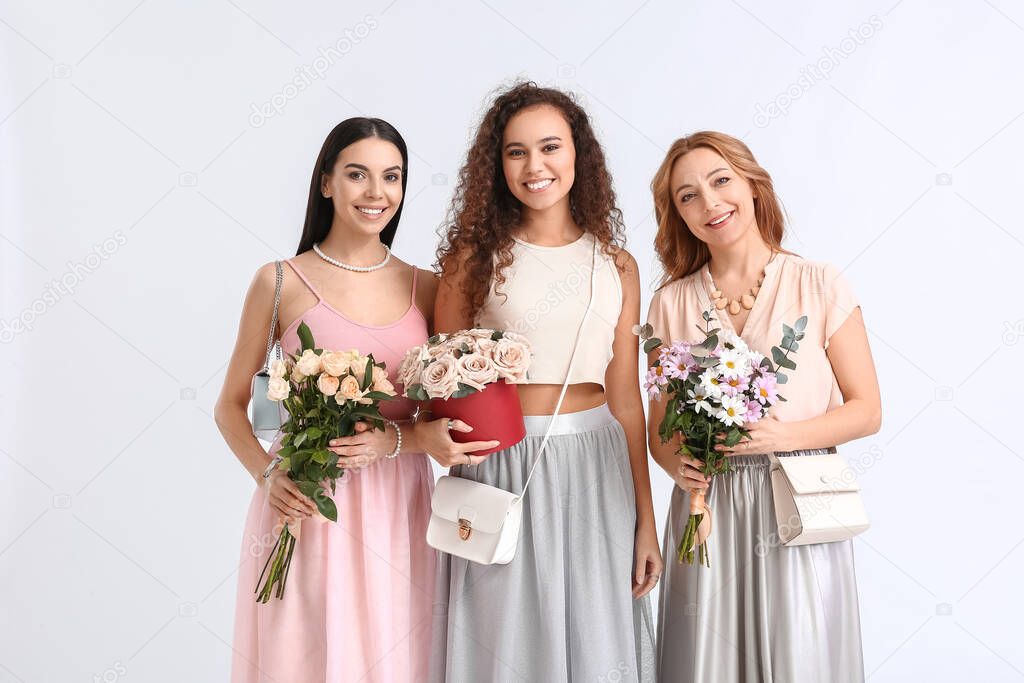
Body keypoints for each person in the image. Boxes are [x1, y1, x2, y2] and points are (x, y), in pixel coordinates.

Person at [214, 117, 494, 682]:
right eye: (357, 174)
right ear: (326, 183)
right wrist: (268, 475)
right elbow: (231, 407)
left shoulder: (428, 286)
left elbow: (442, 418)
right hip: (308, 506)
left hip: (402, 508)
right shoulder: (280, 281)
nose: (376, 192)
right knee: (306, 658)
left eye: (391, 177)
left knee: (401, 656)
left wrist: (401, 439)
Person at [429, 82, 659, 682]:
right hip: (501, 462)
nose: (536, 166)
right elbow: (440, 385)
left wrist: (646, 517)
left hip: (596, 461)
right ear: (497, 164)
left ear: (578, 155)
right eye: (516, 152)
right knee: (502, 636)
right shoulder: (472, 258)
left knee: (596, 633)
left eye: (550, 147)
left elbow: (628, 400)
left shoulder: (617, 264)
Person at [646, 130, 881, 682]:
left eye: (721, 181)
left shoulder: (818, 283)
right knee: (707, 661)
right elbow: (660, 429)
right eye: (688, 196)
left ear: (753, 186)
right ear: (677, 215)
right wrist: (674, 464)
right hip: (708, 510)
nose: (710, 203)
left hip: (798, 500)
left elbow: (867, 409)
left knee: (803, 657)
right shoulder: (668, 303)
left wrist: (781, 438)